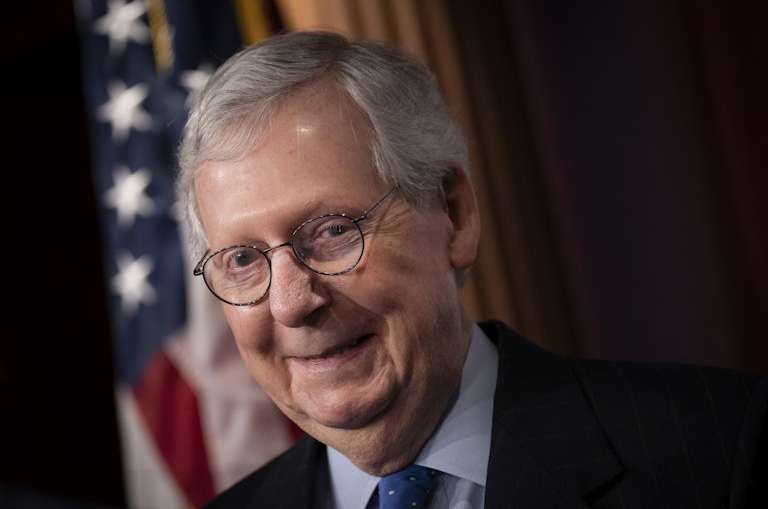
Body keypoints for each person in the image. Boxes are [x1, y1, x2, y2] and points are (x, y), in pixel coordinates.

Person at [176, 30, 767, 508]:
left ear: (453, 215)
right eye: (244, 259)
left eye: (332, 231)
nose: (290, 303)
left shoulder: (716, 449)